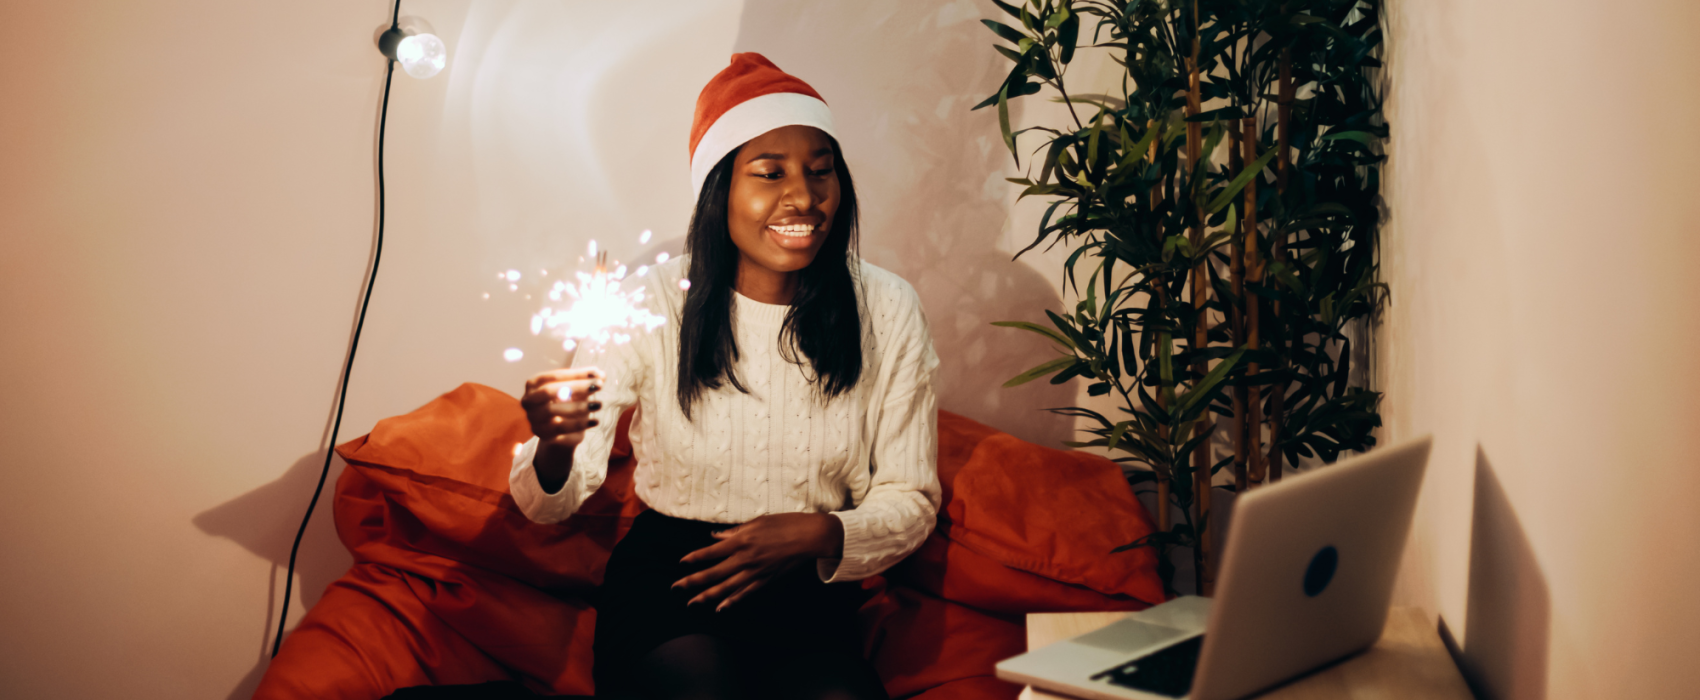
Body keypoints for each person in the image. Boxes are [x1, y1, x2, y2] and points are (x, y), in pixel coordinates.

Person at [508, 53, 940, 700]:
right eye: (770, 173)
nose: (803, 196)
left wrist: (821, 532)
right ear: (720, 190)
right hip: (672, 586)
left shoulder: (887, 306)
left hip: (809, 594)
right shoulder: (654, 299)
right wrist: (555, 444)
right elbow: (548, 505)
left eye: (821, 172)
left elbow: (912, 498)